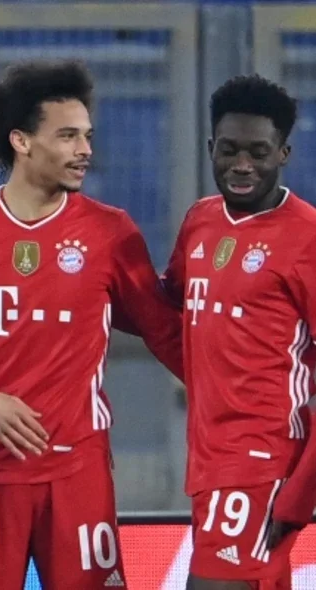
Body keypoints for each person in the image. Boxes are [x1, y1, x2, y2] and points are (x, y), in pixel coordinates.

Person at [0, 60, 183, 590]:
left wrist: (253, 400)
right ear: (20, 141)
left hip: (78, 475)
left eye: (87, 136)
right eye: (67, 136)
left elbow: (166, 333)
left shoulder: (111, 234)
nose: (85, 150)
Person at [162, 74, 314, 590]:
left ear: (284, 153)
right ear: (211, 148)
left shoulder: (307, 237)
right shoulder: (200, 222)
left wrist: (299, 496)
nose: (242, 165)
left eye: (258, 151)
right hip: (208, 455)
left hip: (262, 459)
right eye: (229, 151)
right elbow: (168, 306)